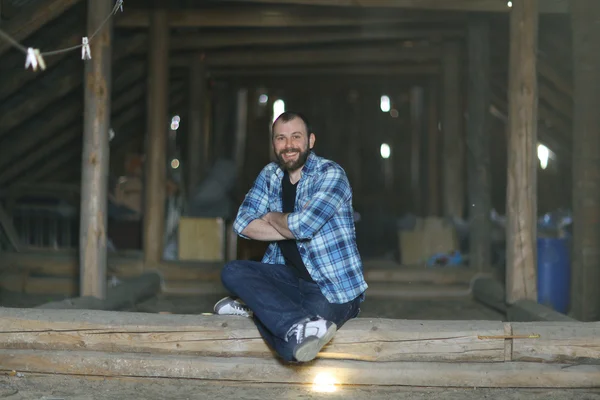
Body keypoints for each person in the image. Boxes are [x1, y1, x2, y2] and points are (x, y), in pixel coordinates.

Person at [214, 111, 368, 363]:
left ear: (311, 141)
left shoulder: (331, 174)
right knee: (232, 271)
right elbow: (242, 224)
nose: (288, 146)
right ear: (274, 143)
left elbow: (303, 227)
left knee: (291, 351)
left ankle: (259, 311)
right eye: (281, 138)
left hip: (332, 289)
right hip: (290, 279)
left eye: (296, 137)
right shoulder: (270, 175)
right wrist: (290, 225)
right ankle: (285, 319)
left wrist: (272, 216)